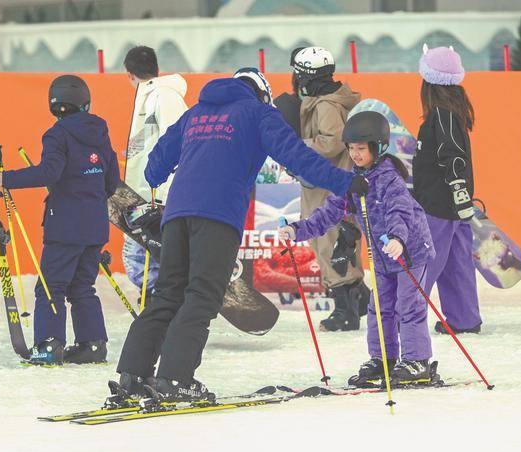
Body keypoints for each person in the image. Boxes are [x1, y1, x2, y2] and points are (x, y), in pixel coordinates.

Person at [110, 68, 368, 403]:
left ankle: (133, 375)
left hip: (175, 216)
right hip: (217, 217)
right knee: (202, 295)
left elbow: (154, 166)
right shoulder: (260, 113)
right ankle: (175, 379)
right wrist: (346, 183)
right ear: (262, 93)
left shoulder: (195, 114)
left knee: (168, 295)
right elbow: (299, 158)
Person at [279, 111, 437, 383]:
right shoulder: (354, 181)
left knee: (408, 305)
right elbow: (329, 212)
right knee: (379, 307)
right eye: (351, 148)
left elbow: (399, 212)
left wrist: (397, 239)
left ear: (378, 147)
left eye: (361, 149)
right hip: (382, 257)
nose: (355, 154)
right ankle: (383, 358)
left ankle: (416, 361)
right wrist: (297, 229)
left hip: (409, 251)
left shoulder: (390, 179)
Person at [0, 75, 120, 365]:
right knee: (82, 287)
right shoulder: (100, 133)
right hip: (95, 225)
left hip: (65, 226)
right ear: (84, 101)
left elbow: (49, 172)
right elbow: (111, 181)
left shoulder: (57, 134)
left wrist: (6, 178)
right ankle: (93, 345)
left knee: (51, 286)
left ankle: (49, 346)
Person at [291, 46, 370, 332]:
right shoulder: (330, 99)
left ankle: (344, 310)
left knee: (329, 241)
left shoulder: (325, 103)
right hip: (331, 179)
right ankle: (360, 299)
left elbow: (332, 141)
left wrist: (298, 148)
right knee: (338, 239)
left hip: (326, 181)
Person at [413, 45, 482, 334]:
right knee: (457, 264)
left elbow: (452, 155)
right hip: (456, 207)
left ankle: (407, 316)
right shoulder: (452, 113)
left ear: (429, 81)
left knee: (425, 262)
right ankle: (464, 318)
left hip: (438, 206)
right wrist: (462, 197)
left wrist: (457, 189)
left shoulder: (441, 115)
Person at [122, 46, 188, 299]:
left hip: (159, 193)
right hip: (146, 191)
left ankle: (162, 298)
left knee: (134, 255)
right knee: (144, 252)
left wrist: (162, 193)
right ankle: (161, 298)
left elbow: (175, 141)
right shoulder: (149, 95)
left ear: (128, 74)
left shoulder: (163, 95)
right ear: (156, 69)